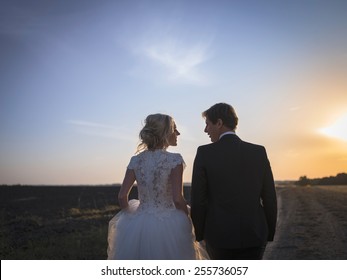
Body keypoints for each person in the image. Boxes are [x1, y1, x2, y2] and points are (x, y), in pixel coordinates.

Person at [107, 113, 207, 259]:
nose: (178, 133)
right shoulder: (174, 160)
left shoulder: (136, 160)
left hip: (140, 222)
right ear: (165, 133)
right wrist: (188, 217)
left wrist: (132, 218)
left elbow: (122, 196)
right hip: (170, 222)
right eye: (175, 129)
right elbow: (178, 199)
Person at [190, 103, 277, 260]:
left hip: (218, 237)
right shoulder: (258, 152)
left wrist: (200, 234)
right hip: (255, 235)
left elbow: (198, 199)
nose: (205, 130)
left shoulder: (204, 153)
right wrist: (269, 232)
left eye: (207, 124)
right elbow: (269, 196)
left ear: (219, 123)